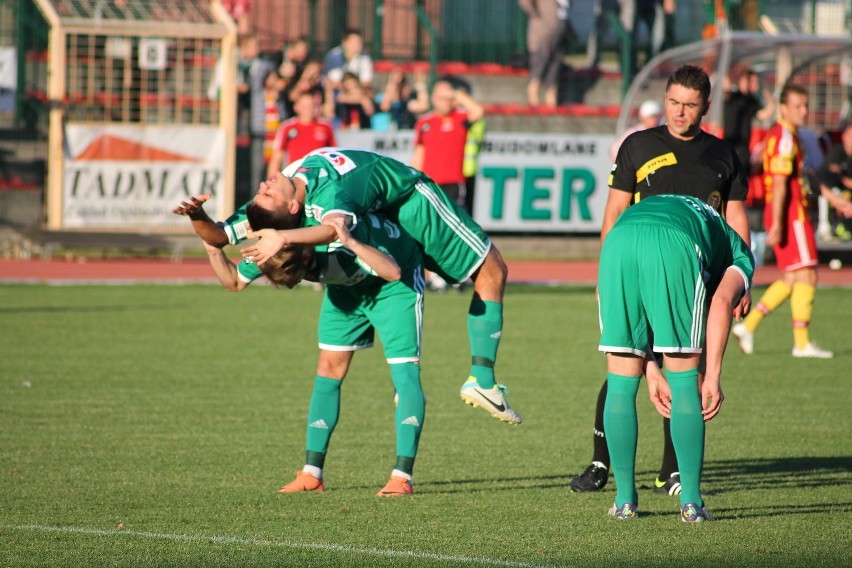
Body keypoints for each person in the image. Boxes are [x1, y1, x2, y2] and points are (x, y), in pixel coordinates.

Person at [202, 149, 521, 425]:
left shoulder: (280, 202)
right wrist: (276, 237)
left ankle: (406, 390)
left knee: (401, 277)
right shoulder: (311, 193)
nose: (263, 185)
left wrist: (196, 215)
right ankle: (482, 379)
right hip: (411, 200)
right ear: (291, 211)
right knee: (491, 270)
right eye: (266, 193)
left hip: (380, 214)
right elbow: (334, 228)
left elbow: (218, 238)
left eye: (266, 191)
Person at [570, 64, 750, 496]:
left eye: (689, 105)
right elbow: (613, 213)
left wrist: (740, 279)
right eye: (673, 102)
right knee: (625, 364)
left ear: (706, 106)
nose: (679, 112)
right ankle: (600, 463)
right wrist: (605, 271)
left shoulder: (724, 155)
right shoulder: (638, 144)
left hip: (696, 267)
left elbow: (735, 216)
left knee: (684, 364)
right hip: (637, 261)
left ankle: (671, 470)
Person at [172, 196, 427, 497]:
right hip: (347, 291)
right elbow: (232, 281)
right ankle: (312, 474)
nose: (297, 282)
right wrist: (207, 237)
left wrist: (352, 242)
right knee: (328, 367)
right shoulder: (275, 253)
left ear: (306, 255)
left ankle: (401, 477)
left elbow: (393, 271)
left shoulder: (330, 243)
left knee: (404, 373)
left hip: (393, 284)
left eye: (300, 277)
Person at [598, 194, 754, 522]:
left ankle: (625, 501)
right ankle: (692, 503)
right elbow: (724, 301)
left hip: (617, 240)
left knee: (621, 381)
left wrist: (650, 368)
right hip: (674, 243)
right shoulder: (740, 254)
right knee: (684, 382)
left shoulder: (704, 219)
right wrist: (712, 376)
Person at [732, 85, 834, 359]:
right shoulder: (785, 136)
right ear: (784, 108)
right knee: (807, 274)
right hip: (791, 215)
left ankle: (749, 326)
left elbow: (803, 178)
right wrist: (777, 221)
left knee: (792, 277)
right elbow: (778, 184)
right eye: (798, 106)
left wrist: (836, 202)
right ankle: (801, 343)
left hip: (789, 214)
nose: (804, 111)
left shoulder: (789, 135)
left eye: (805, 105)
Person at [412, 77, 485, 210]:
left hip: (453, 183)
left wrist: (455, 93)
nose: (447, 102)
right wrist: (414, 180)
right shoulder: (424, 123)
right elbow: (419, 154)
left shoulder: (460, 118)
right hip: (429, 182)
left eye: (449, 98)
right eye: (442, 98)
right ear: (433, 98)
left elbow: (478, 111)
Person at [266, 91, 336, 178]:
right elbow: (277, 157)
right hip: (295, 177)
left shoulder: (326, 126)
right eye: (304, 106)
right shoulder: (287, 127)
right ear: (296, 107)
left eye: (311, 105)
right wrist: (271, 180)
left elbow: (334, 154)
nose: (308, 109)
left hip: (321, 177)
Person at [519, 0, 572, 107]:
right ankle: (534, 101)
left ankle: (551, 103)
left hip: (560, 24)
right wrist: (535, 14)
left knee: (555, 65)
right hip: (544, 28)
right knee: (540, 62)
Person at [723, 68, 775, 175]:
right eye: (753, 82)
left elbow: (763, 115)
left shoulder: (751, 101)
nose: (755, 86)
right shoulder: (733, 96)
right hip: (730, 144)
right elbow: (725, 86)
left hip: (743, 148)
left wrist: (772, 103)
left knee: (742, 175)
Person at [815, 121, 852, 237]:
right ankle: (826, 228)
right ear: (844, 137)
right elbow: (836, 174)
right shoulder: (837, 152)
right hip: (825, 188)